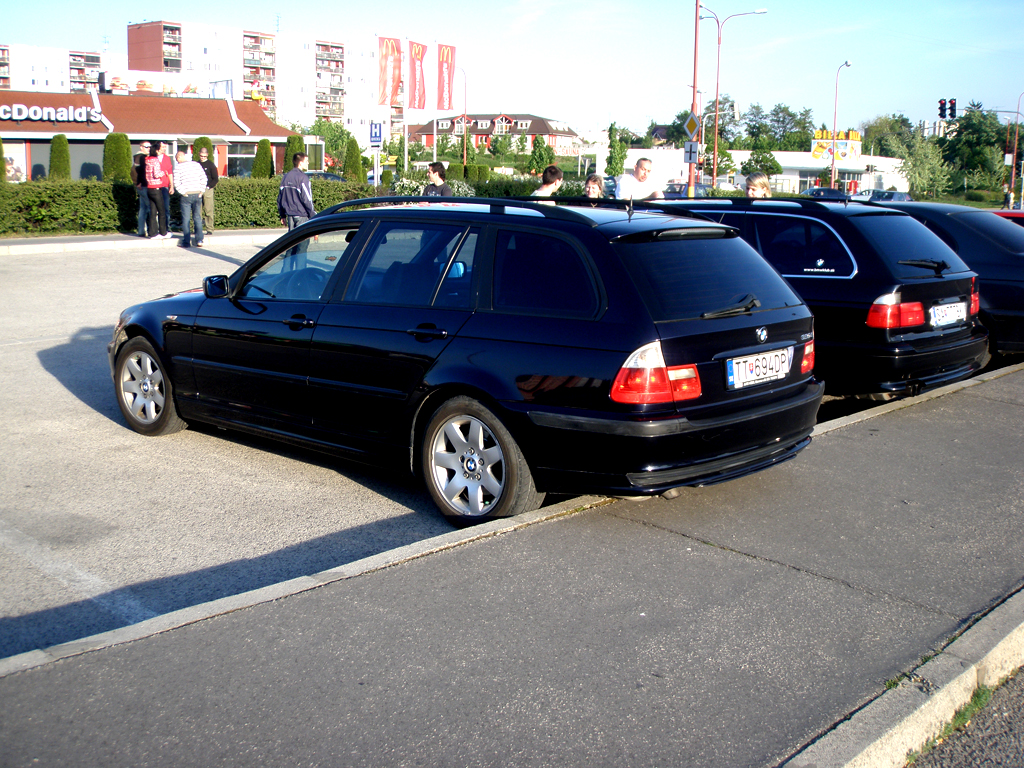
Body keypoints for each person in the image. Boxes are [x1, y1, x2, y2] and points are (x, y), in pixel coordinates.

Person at [173, 150, 208, 248]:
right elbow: (204, 178)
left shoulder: (178, 167)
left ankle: (186, 241)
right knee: (197, 217)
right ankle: (199, 240)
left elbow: (176, 182)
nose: (177, 161)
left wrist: (183, 192)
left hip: (187, 195)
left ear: (179, 157)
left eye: (177, 159)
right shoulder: (196, 165)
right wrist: (201, 191)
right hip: (197, 193)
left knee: (186, 219)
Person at [278, 152, 315, 230]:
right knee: (303, 237)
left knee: (293, 237)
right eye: (306, 161)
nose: (308, 163)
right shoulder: (303, 178)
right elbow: (307, 199)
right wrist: (313, 215)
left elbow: (280, 198)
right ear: (300, 163)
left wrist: (282, 215)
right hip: (302, 215)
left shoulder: (285, 177)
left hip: (290, 215)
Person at [144, 143, 172, 239]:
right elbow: (156, 174)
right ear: (156, 150)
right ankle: (163, 232)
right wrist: (164, 172)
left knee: (153, 211)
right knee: (161, 211)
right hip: (156, 187)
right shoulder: (155, 160)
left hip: (149, 187)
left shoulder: (147, 160)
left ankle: (153, 233)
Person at [130, 141, 151, 237]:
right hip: (143, 186)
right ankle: (152, 230)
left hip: (142, 186)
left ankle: (141, 230)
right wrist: (138, 183)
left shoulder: (141, 157)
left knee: (143, 209)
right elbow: (134, 171)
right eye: (146, 147)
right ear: (141, 147)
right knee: (151, 208)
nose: (148, 148)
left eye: (149, 147)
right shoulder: (140, 157)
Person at [198, 147, 218, 234]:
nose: (202, 157)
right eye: (201, 156)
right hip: (198, 189)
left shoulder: (211, 165)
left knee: (208, 210)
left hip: (207, 189)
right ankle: (198, 229)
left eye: (204, 156)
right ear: (199, 154)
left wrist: (209, 187)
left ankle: (209, 229)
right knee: (197, 210)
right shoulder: (197, 164)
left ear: (207, 155)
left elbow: (215, 179)